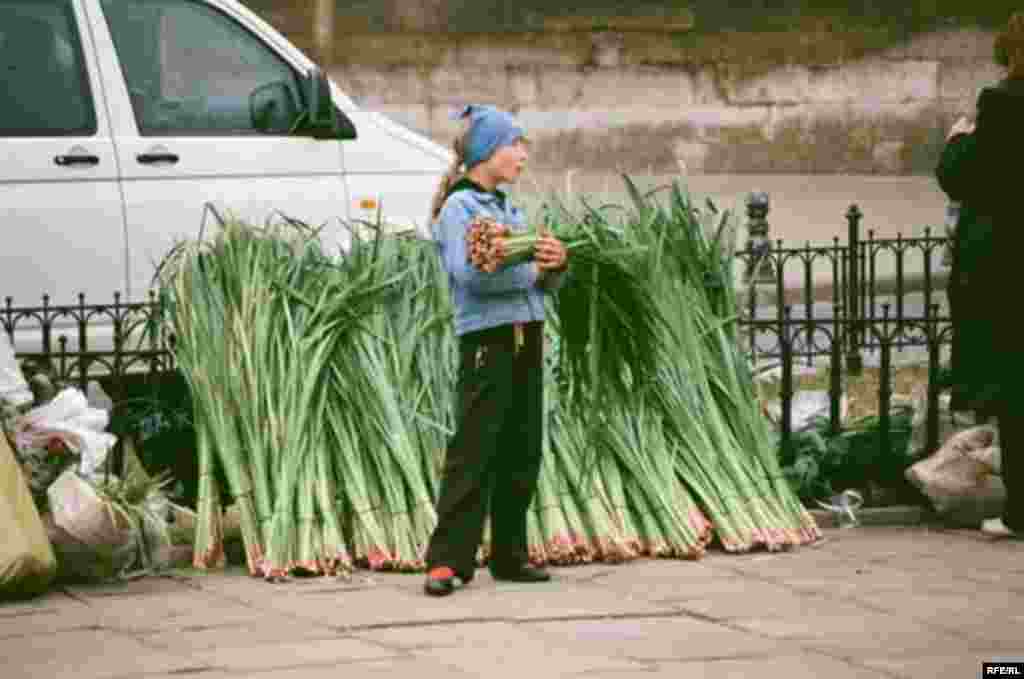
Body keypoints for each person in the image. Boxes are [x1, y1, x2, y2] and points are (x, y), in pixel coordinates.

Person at [423, 104, 569, 595]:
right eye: (515, 144)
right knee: (474, 450)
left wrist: (555, 263)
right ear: (488, 151)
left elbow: (535, 283)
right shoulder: (460, 209)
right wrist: (532, 269)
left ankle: (509, 555)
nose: (523, 154)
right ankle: (447, 561)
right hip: (488, 341)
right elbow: (471, 275)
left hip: (527, 334)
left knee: (521, 449)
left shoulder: (508, 210)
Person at [935, 11, 1024, 539]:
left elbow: (965, 176)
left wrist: (957, 138)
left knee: (1016, 388)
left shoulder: (1006, 103)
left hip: (1008, 266)